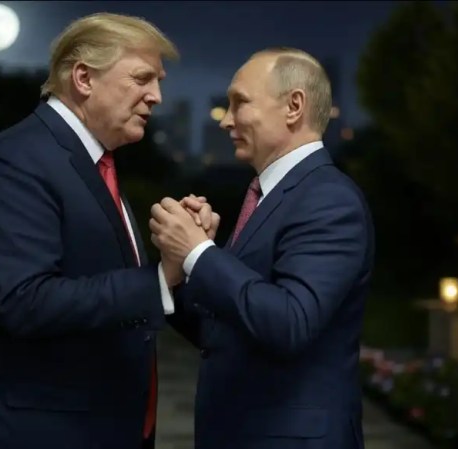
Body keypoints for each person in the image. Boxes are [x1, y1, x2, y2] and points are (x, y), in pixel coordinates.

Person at [0, 12, 207, 449]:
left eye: (159, 81)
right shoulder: (17, 159)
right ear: (84, 78)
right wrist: (160, 276)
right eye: (142, 78)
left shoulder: (91, 162)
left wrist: (187, 253)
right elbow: (25, 301)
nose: (156, 96)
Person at [150, 47, 375, 449]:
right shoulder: (267, 195)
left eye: (240, 102)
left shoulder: (328, 198)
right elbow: (224, 330)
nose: (227, 120)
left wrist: (200, 253)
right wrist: (180, 266)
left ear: (294, 106)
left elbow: (291, 322)